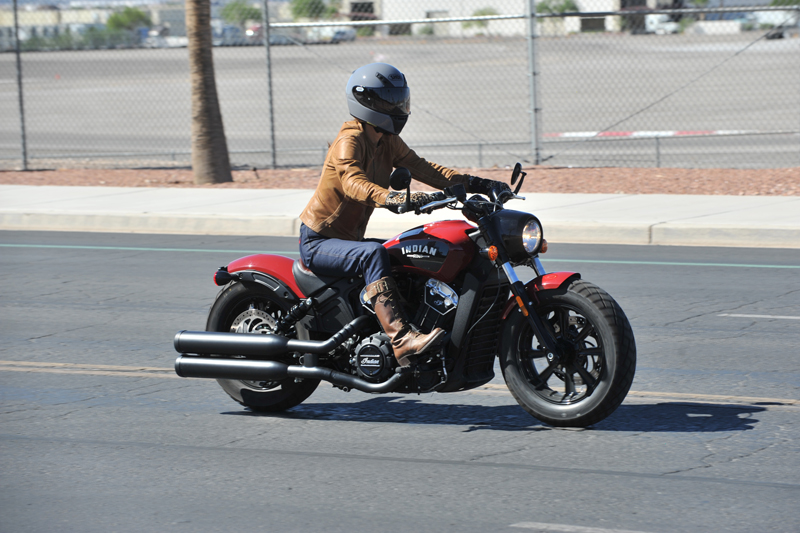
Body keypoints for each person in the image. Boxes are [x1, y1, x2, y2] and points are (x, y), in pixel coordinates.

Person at [298, 62, 509, 368]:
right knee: (373, 255)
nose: (396, 106)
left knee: (408, 252)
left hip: (347, 239)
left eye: (399, 98)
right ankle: (401, 339)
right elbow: (352, 182)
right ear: (366, 101)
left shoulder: (386, 139)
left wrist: (476, 183)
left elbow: (424, 168)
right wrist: (393, 198)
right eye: (387, 99)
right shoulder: (349, 141)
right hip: (320, 241)